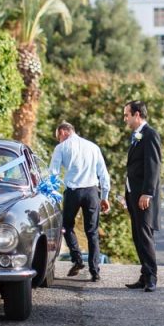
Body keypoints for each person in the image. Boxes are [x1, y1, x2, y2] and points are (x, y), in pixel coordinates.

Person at [48, 121, 111, 282]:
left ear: (63, 132)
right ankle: (95, 270)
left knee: (67, 226)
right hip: (91, 192)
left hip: (73, 192)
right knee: (92, 232)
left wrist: (51, 194)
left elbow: (53, 174)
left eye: (58, 137)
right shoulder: (93, 147)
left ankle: (77, 259)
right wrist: (105, 196)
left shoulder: (61, 148)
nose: (58, 140)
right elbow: (103, 173)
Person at [122, 100, 161, 292]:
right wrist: (126, 193)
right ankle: (144, 275)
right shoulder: (136, 136)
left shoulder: (150, 134)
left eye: (126, 115)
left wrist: (147, 192)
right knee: (137, 236)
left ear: (137, 115)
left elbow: (153, 166)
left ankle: (152, 277)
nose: (125, 119)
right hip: (133, 193)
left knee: (145, 236)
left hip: (144, 196)